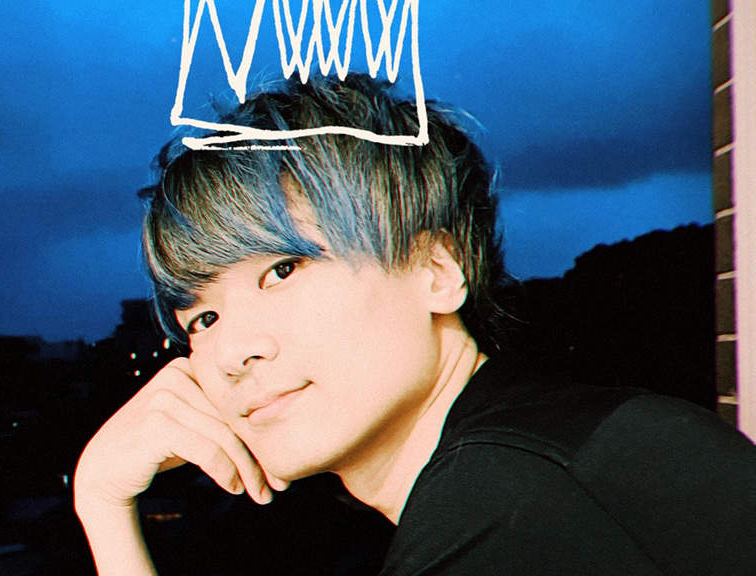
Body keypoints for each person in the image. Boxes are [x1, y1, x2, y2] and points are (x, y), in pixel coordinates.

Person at [74, 75, 756, 575]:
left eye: (283, 269)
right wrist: (101, 498)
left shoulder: (502, 506)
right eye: (203, 317)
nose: (229, 352)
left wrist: (104, 513)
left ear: (437, 269)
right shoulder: (529, 456)